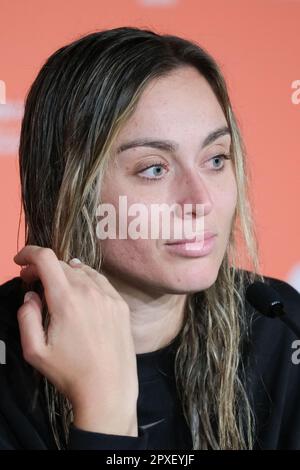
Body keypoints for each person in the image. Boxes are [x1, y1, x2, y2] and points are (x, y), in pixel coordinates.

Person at [0, 26, 300, 451]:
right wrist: (104, 411)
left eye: (216, 159)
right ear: (66, 186)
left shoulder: (285, 331)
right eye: (154, 169)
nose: (201, 200)